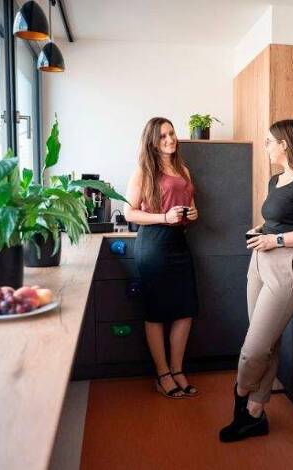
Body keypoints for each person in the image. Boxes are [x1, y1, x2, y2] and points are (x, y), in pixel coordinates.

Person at [219, 119, 293, 442]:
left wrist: (277, 240)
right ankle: (255, 414)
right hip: (260, 261)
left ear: (284, 143)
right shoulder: (275, 180)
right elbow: (279, 220)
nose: (266, 146)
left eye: (269, 141)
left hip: (289, 263)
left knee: (253, 349)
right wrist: (263, 230)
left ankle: (241, 395)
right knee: (266, 342)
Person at [124, 117, 199, 399]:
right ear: (152, 142)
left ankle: (177, 370)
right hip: (153, 245)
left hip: (179, 242)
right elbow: (130, 212)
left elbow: (190, 206)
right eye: (163, 136)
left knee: (185, 309)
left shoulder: (183, 169)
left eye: (172, 133)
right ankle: (163, 374)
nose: (170, 139)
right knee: (156, 311)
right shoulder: (143, 171)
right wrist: (164, 218)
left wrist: (193, 214)